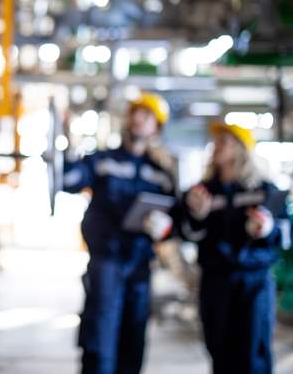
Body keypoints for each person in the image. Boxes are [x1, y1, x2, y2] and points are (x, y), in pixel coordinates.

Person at [63, 93, 177, 374]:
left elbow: (177, 217)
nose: (138, 119)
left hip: (140, 267)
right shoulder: (103, 160)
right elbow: (68, 181)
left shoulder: (161, 173)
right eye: (135, 113)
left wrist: (163, 227)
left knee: (133, 343)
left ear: (157, 128)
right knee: (99, 343)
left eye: (147, 115)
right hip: (106, 264)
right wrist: (66, 147)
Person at [182, 123, 288, 374]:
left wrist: (266, 228)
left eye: (224, 142)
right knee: (219, 352)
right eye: (216, 142)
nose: (216, 147)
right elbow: (186, 233)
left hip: (253, 283)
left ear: (241, 149)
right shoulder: (201, 192)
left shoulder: (265, 192)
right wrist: (198, 216)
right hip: (215, 282)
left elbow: (284, 235)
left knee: (253, 355)